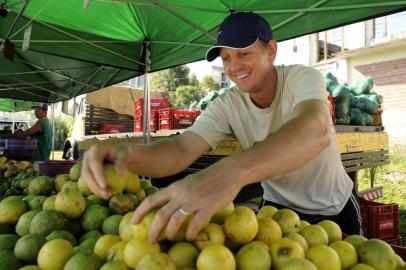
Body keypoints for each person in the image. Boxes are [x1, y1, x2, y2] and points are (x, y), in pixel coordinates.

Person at [82, 12, 362, 243]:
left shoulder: (302, 78)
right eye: (226, 58)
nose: (233, 66)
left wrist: (229, 174)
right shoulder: (228, 104)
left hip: (334, 209)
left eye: (243, 53)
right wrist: (125, 156)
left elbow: (316, 130)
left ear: (271, 50)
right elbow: (180, 149)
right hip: (278, 213)